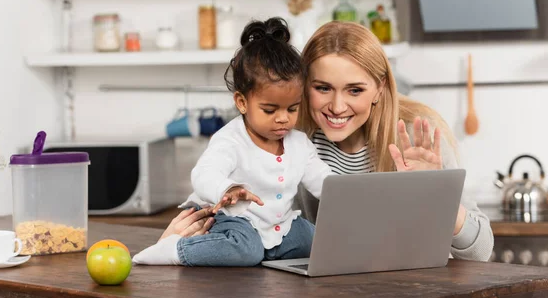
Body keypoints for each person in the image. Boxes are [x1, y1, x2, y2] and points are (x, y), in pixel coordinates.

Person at [132, 17, 331, 267]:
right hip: (233, 219)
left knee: (316, 240)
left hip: (278, 224)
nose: (283, 119)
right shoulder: (231, 139)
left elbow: (325, 181)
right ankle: (176, 249)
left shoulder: (300, 144)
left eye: (292, 109)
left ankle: (267, 253)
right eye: (270, 110)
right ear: (242, 102)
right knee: (245, 249)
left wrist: (352, 193)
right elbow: (204, 173)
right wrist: (226, 189)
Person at [294, 21, 493, 261]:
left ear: (379, 88)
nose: (337, 107)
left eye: (354, 90)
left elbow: (480, 251)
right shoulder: (292, 140)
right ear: (305, 86)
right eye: (323, 88)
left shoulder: (415, 134)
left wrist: (436, 193)